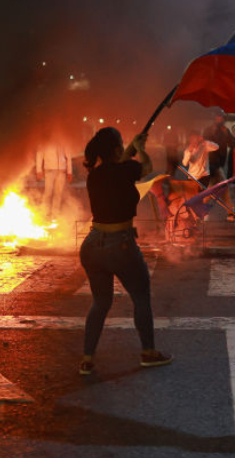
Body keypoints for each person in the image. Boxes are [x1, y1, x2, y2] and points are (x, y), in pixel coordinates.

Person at [78, 127, 170, 375]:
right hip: (121, 244)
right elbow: (147, 166)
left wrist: (128, 146)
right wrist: (140, 148)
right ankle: (148, 352)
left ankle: (87, 359)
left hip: (92, 243)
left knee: (100, 302)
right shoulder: (126, 170)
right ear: (118, 149)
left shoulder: (94, 175)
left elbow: (117, 164)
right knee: (140, 296)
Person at [35, 140, 73, 220]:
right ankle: (43, 214)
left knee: (58, 194)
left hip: (61, 170)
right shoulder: (44, 141)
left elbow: (68, 156)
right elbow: (39, 155)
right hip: (49, 170)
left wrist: (69, 172)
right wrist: (39, 170)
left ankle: (55, 215)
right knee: (48, 192)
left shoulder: (62, 139)